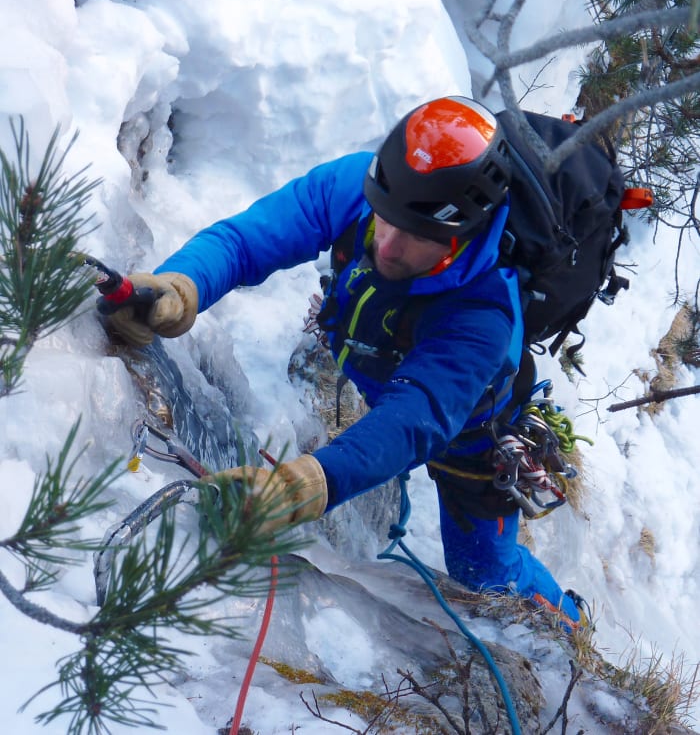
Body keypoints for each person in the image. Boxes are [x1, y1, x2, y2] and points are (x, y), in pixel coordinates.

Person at [108, 95, 584, 628]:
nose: (388, 246)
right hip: (391, 379)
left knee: (486, 576)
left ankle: (570, 623)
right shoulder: (361, 188)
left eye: (417, 236)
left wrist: (304, 486)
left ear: (463, 233)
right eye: (386, 219)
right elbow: (248, 241)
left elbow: (412, 420)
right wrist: (181, 285)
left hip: (472, 434)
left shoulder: (484, 313)